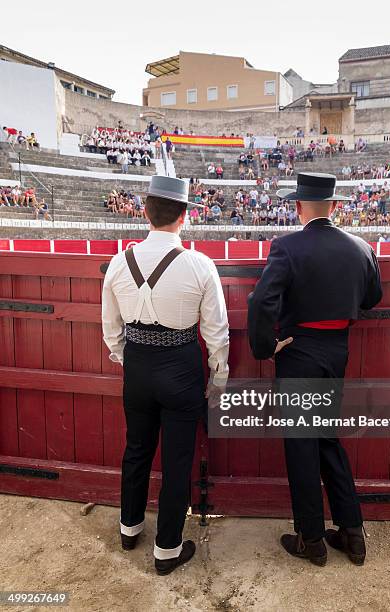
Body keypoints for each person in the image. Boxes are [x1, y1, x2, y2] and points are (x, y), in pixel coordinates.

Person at [247, 172, 382, 567]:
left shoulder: (287, 248)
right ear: (335, 206)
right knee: (327, 438)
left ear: (298, 207)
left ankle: (311, 539)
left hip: (299, 351)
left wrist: (264, 347)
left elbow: (260, 303)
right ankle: (352, 533)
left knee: (302, 443)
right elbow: (373, 297)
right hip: (337, 350)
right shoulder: (360, 247)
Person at [102, 175, 229, 576]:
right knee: (177, 460)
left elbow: (110, 330)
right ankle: (167, 550)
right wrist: (218, 376)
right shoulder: (200, 265)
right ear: (184, 217)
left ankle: (129, 528)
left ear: (145, 212)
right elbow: (216, 332)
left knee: (136, 449)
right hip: (181, 367)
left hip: (138, 366)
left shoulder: (119, 262)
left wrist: (128, 359)